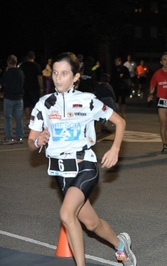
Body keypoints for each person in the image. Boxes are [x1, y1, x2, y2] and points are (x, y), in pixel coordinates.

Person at [27, 52, 136, 266]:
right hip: (60, 174)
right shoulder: (44, 105)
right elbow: (31, 143)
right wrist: (39, 141)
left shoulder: (87, 101)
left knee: (67, 214)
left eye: (64, 73)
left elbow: (120, 122)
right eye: (55, 73)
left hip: (84, 167)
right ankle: (121, 244)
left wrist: (115, 149)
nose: (58, 78)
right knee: (91, 223)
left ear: (76, 77)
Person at [148, 52, 167, 154]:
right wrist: (150, 95)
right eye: (165, 59)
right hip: (161, 100)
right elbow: (152, 86)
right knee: (163, 124)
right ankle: (165, 144)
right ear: (161, 62)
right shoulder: (157, 74)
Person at [0, 55, 25, 145]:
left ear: (8, 63)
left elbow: (2, 83)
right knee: (19, 118)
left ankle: (9, 138)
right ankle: (20, 137)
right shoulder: (20, 72)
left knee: (8, 118)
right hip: (19, 97)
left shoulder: (7, 73)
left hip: (9, 97)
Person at [19, 51, 43, 123]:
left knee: (27, 105)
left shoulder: (22, 66)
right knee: (36, 105)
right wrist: (41, 87)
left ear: (27, 57)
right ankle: (35, 121)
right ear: (34, 57)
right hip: (34, 88)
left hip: (25, 88)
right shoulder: (37, 66)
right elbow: (39, 77)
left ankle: (28, 120)